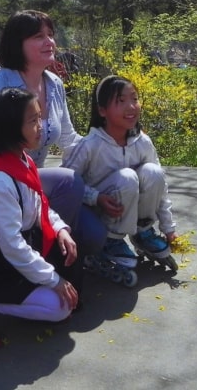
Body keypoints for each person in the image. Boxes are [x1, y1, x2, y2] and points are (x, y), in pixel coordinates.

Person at [0, 10, 106, 257]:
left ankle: (54, 248)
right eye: (39, 36)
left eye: (51, 35)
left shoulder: (54, 84)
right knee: (69, 182)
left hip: (32, 179)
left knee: (95, 235)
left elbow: (70, 139)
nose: (49, 42)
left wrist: (112, 152)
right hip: (2, 183)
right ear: (18, 44)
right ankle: (37, 257)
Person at [0, 87, 81, 349]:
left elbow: (40, 205)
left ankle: (18, 297)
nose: (41, 126)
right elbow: (12, 246)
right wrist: (54, 280)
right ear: (10, 127)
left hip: (18, 249)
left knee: (74, 290)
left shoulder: (21, 160)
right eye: (33, 121)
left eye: (39, 118)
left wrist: (60, 229)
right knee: (60, 307)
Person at [62, 74, 178, 270]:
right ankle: (110, 240)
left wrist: (169, 229)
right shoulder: (89, 145)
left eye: (134, 99)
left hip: (130, 210)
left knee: (154, 172)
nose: (131, 107)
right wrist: (95, 197)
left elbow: (161, 188)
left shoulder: (142, 142)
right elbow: (65, 183)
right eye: (121, 101)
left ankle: (143, 232)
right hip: (98, 213)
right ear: (102, 110)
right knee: (127, 177)